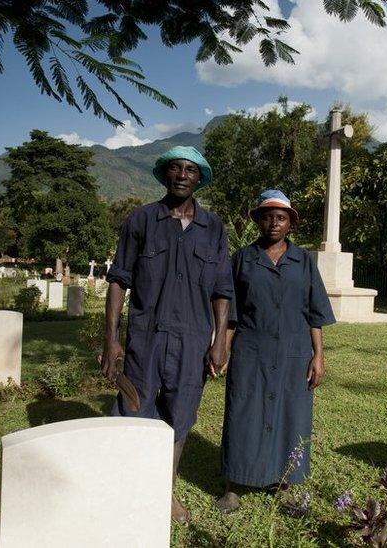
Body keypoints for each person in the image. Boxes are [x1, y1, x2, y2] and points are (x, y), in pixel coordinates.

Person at [102, 146, 233, 524]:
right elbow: (118, 281)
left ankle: (165, 493)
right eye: (174, 168)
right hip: (145, 337)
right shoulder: (141, 220)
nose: (181, 175)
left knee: (180, 417)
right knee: (133, 409)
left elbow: (222, 290)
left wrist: (220, 342)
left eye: (190, 170)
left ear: (199, 179)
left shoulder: (214, 228)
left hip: (193, 341)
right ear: (164, 175)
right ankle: (128, 487)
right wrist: (111, 340)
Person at [215, 189, 336, 513]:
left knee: (290, 417)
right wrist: (223, 349)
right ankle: (234, 484)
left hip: (294, 351)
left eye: (280, 218)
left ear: (290, 223)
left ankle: (283, 484)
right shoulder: (243, 258)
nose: (274, 223)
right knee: (243, 413)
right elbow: (232, 313)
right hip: (251, 349)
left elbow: (315, 313)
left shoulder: (303, 262)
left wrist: (318, 355)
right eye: (267, 217)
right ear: (258, 220)